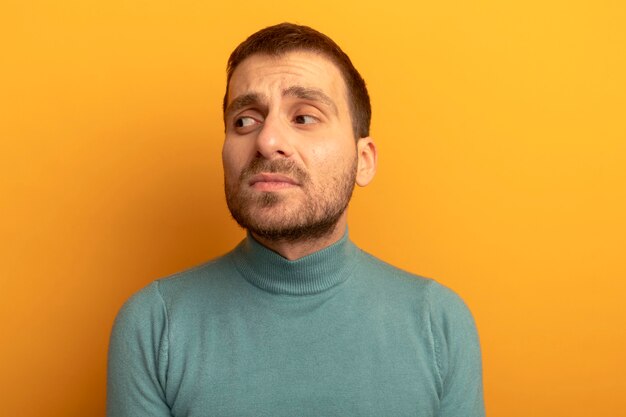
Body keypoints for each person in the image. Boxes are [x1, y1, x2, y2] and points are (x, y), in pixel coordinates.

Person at [106, 23, 485, 417]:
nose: (267, 141)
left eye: (304, 118)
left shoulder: (438, 322)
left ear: (364, 161)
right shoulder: (154, 325)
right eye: (245, 121)